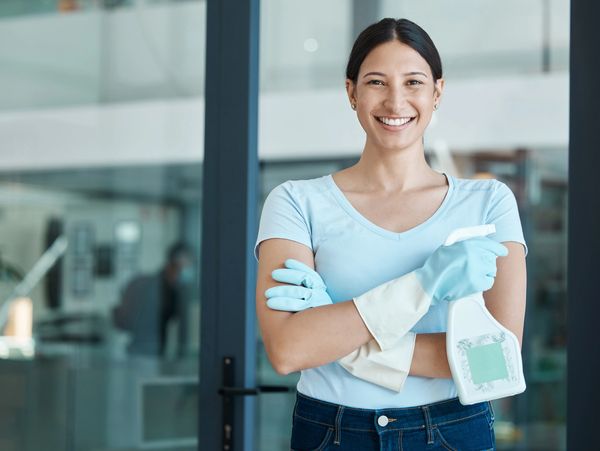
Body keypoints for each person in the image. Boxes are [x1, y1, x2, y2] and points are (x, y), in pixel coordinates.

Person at [254, 18, 527, 450]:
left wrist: (338, 338)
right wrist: (425, 282)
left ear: (437, 92)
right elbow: (288, 351)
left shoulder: (489, 202)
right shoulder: (295, 202)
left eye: (414, 82)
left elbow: (495, 360)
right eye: (376, 82)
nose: (395, 100)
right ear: (352, 92)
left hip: (452, 431)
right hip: (331, 431)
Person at [113, 242, 195, 357]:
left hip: (155, 353)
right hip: (143, 353)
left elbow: (183, 330)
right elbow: (129, 322)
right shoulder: (151, 286)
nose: (188, 269)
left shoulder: (174, 289)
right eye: (187, 265)